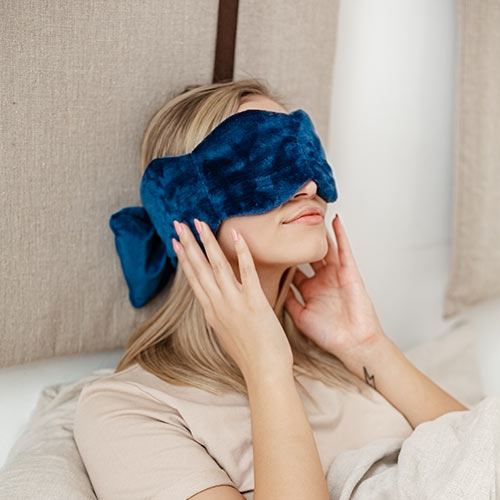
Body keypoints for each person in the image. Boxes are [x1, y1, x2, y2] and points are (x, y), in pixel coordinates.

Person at [73, 78, 467, 500]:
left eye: (305, 153)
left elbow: (480, 451)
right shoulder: (129, 408)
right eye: (264, 160)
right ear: (185, 204)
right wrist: (266, 369)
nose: (309, 185)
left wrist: (367, 346)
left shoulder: (339, 358)